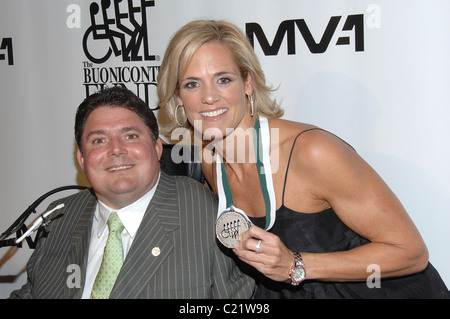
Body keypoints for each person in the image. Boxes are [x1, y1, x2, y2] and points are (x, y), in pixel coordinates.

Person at [157, 19, 450, 298]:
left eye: (223, 79)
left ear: (248, 83)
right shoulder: (210, 161)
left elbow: (411, 252)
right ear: (179, 97)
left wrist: (296, 265)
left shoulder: (313, 151)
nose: (209, 97)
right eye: (192, 84)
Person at [9, 86, 254, 299]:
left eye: (130, 136)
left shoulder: (207, 215)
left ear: (157, 148)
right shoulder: (58, 218)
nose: (116, 149)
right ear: (81, 159)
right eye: (98, 140)